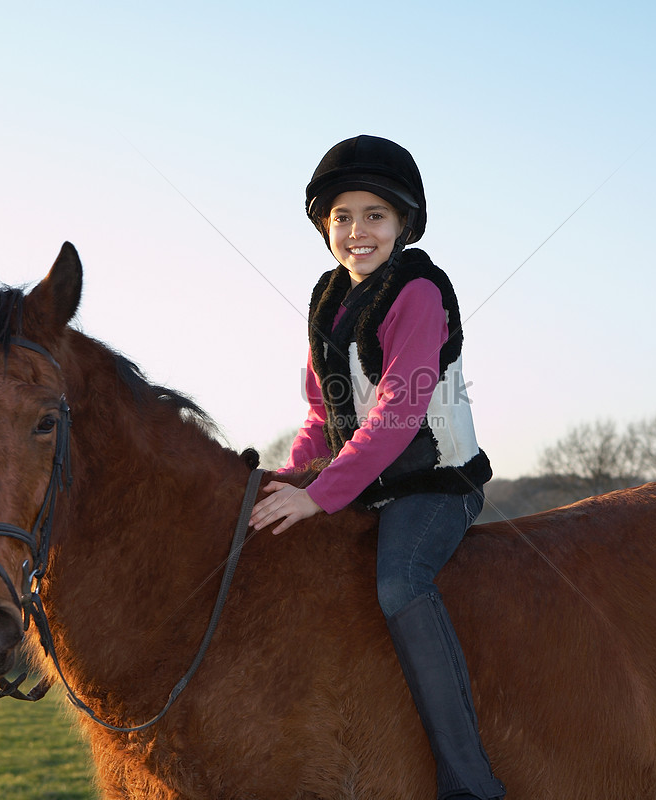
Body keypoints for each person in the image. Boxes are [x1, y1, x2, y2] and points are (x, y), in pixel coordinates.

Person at [249, 135, 504, 800]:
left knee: (398, 583)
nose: (357, 231)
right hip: (363, 487)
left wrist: (320, 496)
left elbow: (397, 411)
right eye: (342, 217)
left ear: (403, 224)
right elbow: (321, 417)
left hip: (434, 484)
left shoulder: (417, 292)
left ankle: (468, 781)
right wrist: (282, 485)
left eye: (374, 216)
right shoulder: (328, 300)